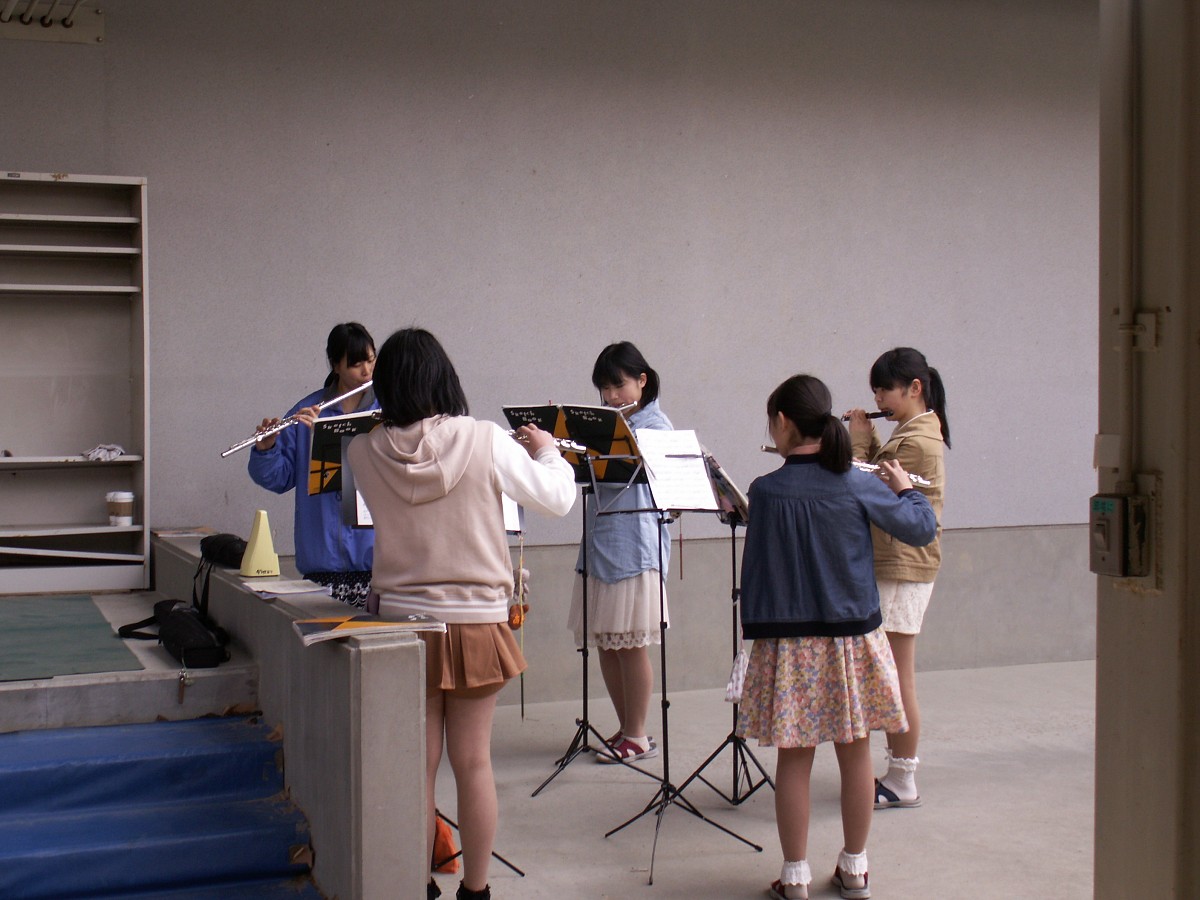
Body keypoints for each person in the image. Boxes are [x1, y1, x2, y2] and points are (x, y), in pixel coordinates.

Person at [345, 327, 575, 900]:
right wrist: (547, 448)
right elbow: (558, 498)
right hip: (475, 619)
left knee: (416, 769)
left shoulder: (361, 449)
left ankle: (419, 884)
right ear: (443, 377)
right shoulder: (484, 439)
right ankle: (475, 890)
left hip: (399, 623)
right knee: (472, 763)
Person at [737, 374, 937, 900]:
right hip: (853, 639)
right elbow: (921, 529)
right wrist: (905, 488)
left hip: (790, 642)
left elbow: (757, 572)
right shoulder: (858, 481)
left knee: (795, 759)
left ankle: (796, 876)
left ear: (782, 423)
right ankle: (854, 869)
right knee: (857, 756)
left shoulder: (765, 490)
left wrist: (752, 638)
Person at [844, 347, 950, 811]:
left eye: (886, 390)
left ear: (914, 388)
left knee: (897, 673)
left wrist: (857, 441)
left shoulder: (916, 442)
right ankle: (896, 770)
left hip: (904, 567)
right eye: (875, 392)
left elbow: (865, 487)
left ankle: (904, 777)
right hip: (894, 564)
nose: (880, 400)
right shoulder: (908, 433)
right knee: (889, 671)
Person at [568, 341, 672, 764]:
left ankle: (639, 732)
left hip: (634, 546)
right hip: (600, 541)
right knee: (606, 642)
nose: (611, 397)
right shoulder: (605, 423)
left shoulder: (656, 426)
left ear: (642, 381)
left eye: (619, 385)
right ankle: (627, 726)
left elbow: (664, 489)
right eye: (604, 389)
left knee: (631, 646)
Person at [248, 322, 378, 607]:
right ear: (335, 365)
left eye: (371, 360)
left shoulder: (387, 410)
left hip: (378, 568)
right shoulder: (306, 412)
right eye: (356, 364)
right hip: (322, 565)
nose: (367, 372)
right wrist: (266, 449)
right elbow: (278, 479)